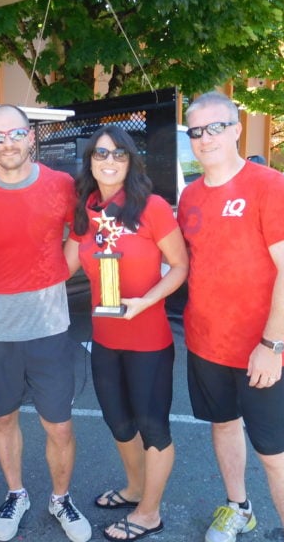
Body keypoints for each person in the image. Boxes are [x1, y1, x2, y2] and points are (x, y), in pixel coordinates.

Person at [176, 92, 284, 542]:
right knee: (223, 425)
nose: (206, 138)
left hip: (260, 351)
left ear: (236, 129)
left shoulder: (269, 185)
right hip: (205, 344)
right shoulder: (190, 196)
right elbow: (186, 264)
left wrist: (272, 345)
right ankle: (239, 508)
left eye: (216, 127)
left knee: (274, 451)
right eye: (196, 131)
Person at [0, 104, 92, 542]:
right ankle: (17, 493)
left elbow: (81, 234)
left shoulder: (62, 185)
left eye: (15, 134)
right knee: (3, 420)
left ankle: (60, 498)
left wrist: (59, 274)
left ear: (31, 136)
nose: (8, 143)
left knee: (60, 424)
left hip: (50, 326)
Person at [64, 126, 188, 541]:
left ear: (131, 161)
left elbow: (180, 266)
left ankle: (150, 512)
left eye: (119, 153)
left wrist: (146, 301)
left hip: (148, 339)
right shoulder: (86, 210)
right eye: (101, 154)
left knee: (153, 427)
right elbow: (64, 268)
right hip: (105, 340)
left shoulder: (150, 207)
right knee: (118, 423)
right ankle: (135, 489)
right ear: (91, 162)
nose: (110, 160)